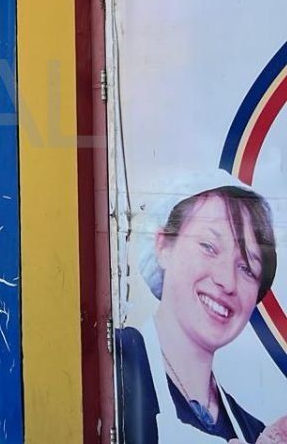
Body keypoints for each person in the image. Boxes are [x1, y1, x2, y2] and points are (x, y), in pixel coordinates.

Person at [117, 171, 285, 443]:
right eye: (209, 246)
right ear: (163, 246)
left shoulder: (252, 432)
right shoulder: (113, 361)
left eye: (246, 268)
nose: (226, 281)